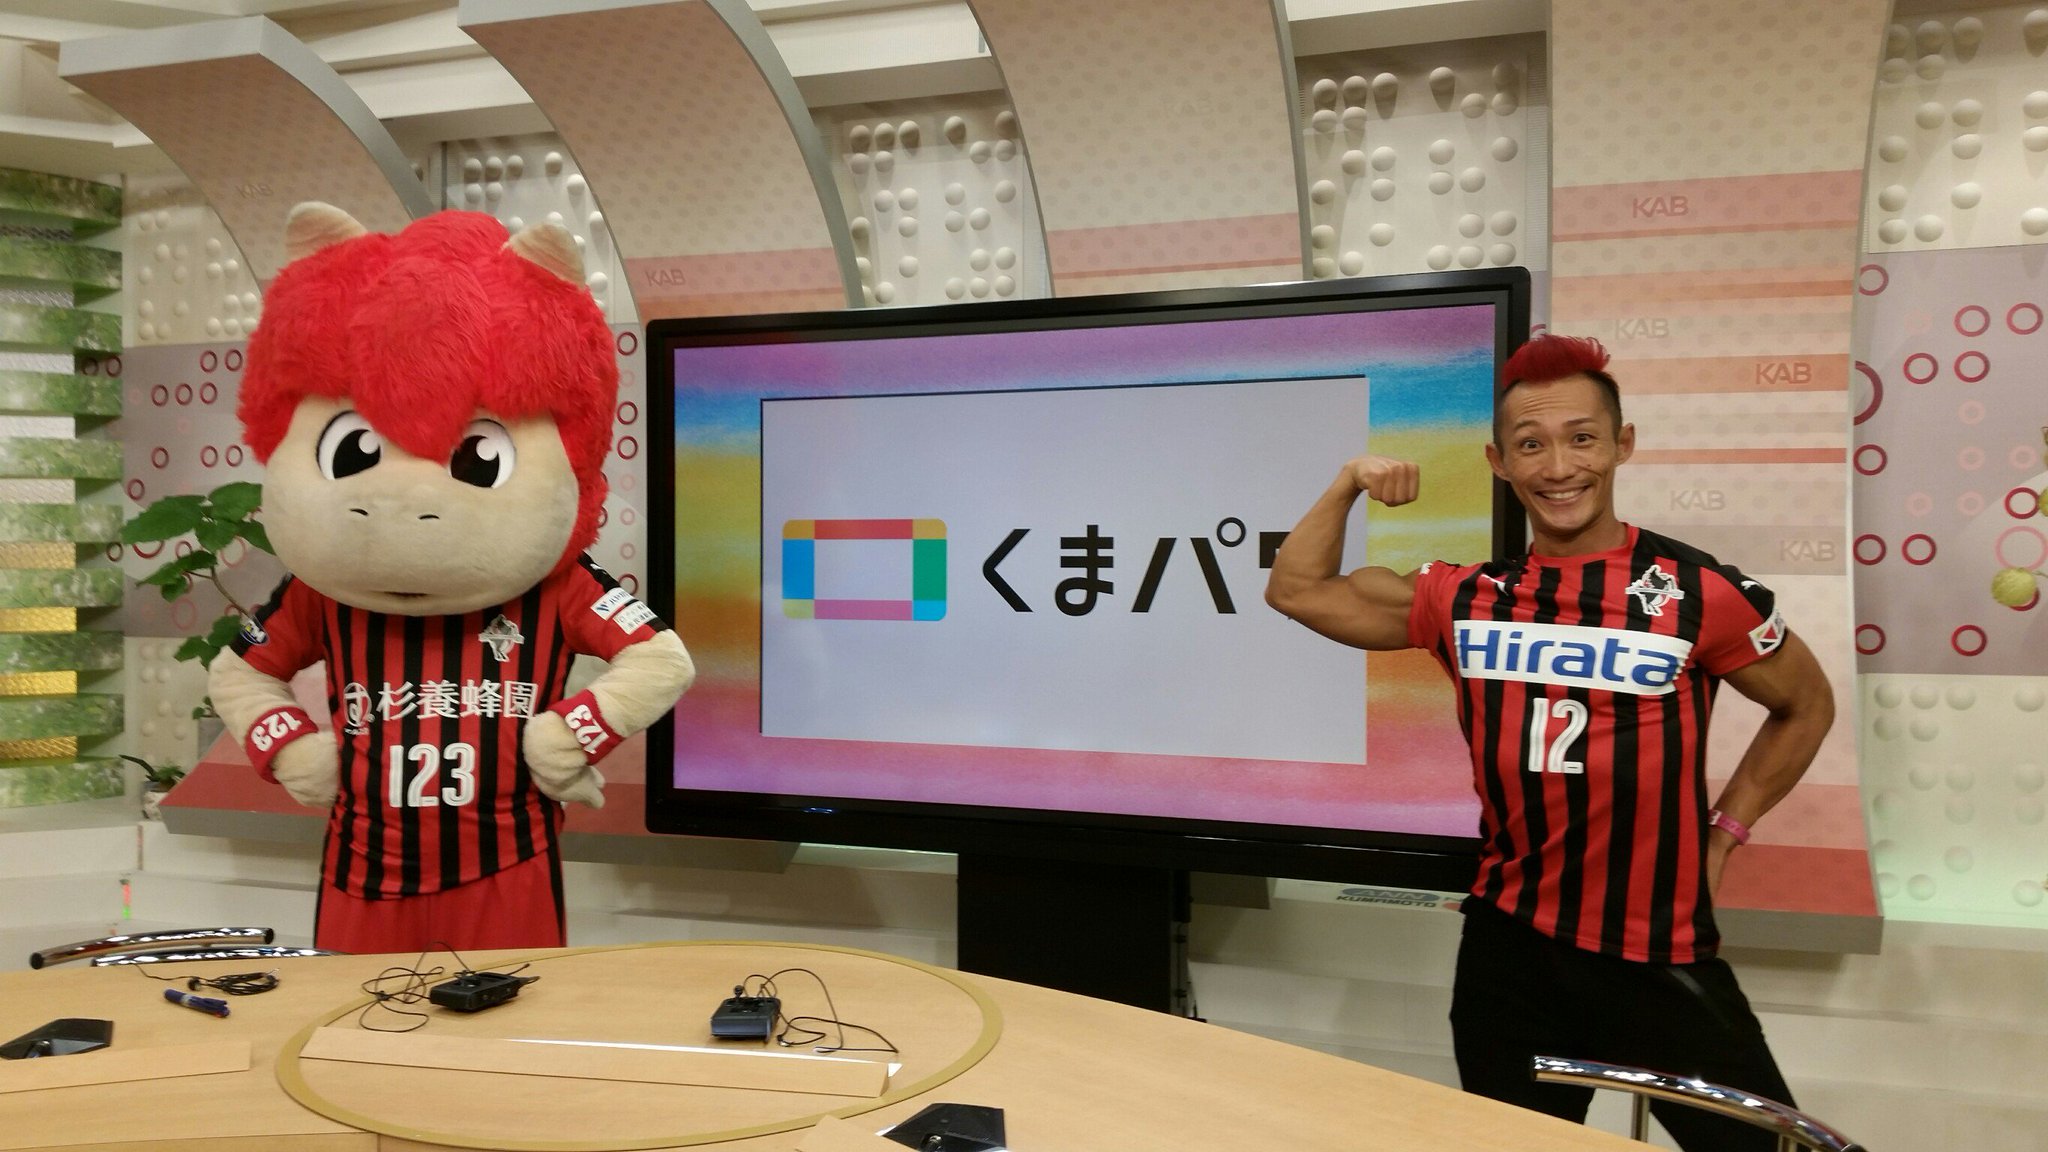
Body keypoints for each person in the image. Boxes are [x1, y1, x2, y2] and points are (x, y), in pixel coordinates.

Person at [1264, 332, 1834, 1149]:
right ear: (1500, 462)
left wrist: (1724, 835)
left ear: (1621, 445)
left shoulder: (1697, 591)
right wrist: (1349, 480)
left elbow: (1805, 706)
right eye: (1531, 444)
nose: (1559, 467)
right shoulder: (1468, 597)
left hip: (1656, 948)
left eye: (1582, 438)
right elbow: (1296, 589)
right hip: (1509, 951)